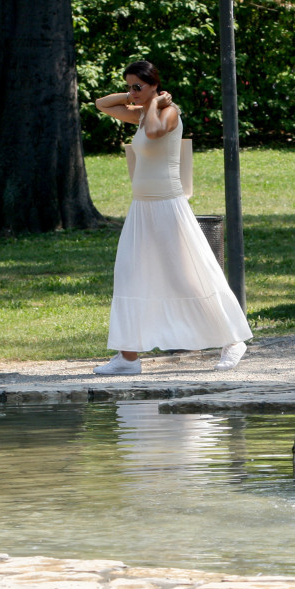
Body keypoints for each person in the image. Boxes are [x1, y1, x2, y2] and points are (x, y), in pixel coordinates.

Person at [91, 61, 251, 375]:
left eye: (138, 85)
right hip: (141, 208)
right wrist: (136, 98)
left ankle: (233, 341)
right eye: (130, 86)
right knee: (129, 274)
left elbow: (153, 131)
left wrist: (153, 103)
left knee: (191, 275)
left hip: (168, 205)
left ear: (154, 85)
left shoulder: (169, 112)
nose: (132, 92)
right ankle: (128, 357)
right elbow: (101, 104)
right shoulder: (141, 111)